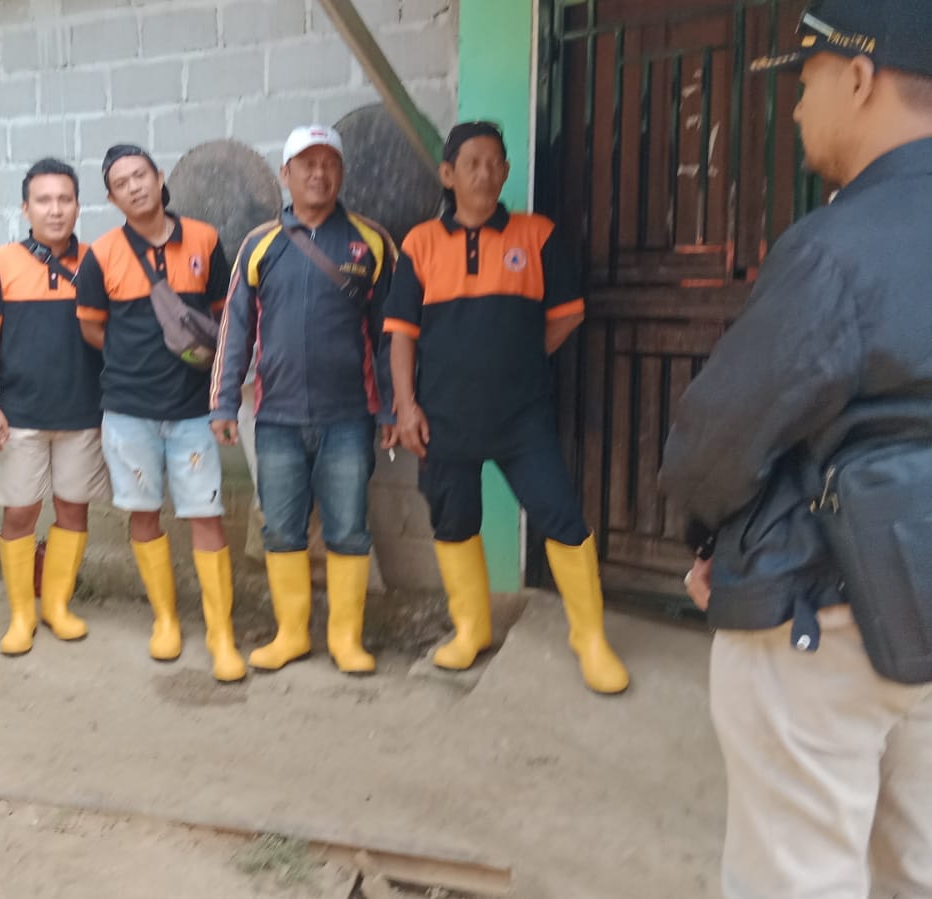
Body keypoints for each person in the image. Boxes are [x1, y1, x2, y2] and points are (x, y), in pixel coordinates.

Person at [659, 2, 932, 894]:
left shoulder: (836, 247)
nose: (792, 107)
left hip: (820, 621)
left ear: (858, 78)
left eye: (805, 80)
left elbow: (716, 437)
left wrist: (707, 539)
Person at [385, 120, 629, 695]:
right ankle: (471, 630)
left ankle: (589, 637)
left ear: (507, 171)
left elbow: (568, 313)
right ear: (448, 174)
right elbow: (401, 333)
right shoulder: (419, 243)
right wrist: (405, 406)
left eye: (496, 161)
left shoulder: (537, 236)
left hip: (523, 419)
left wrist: (518, 355)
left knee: (563, 518)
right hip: (442, 419)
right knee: (453, 521)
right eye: (472, 162)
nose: (486, 172)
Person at [209, 125, 396, 675]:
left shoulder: (373, 242)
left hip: (349, 418)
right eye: (306, 164)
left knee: (348, 529)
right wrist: (223, 403)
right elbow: (234, 330)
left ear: (341, 172)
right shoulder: (259, 244)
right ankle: (292, 633)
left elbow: (392, 336)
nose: (319, 173)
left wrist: (390, 408)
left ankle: (345, 639)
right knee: (282, 529)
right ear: (285, 175)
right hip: (277, 419)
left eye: (329, 163)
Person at [76, 144, 245, 683]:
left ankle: (221, 634)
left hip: (194, 409)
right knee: (143, 514)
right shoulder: (101, 254)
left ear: (159, 176)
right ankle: (166, 621)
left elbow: (224, 320)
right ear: (111, 197)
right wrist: (134, 362)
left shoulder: (205, 239)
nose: (134, 187)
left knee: (205, 516)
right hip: (128, 411)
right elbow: (91, 326)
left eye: (141, 175)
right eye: (121, 182)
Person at [0, 158, 110, 656]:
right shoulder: (0, 263)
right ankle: (20, 614)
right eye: (44, 200)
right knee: (20, 514)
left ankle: (56, 605)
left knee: (74, 510)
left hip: (83, 412)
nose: (55, 209)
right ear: (26, 207)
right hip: (21, 414)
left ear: (78, 205)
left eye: (65, 199)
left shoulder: (98, 261)